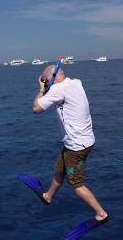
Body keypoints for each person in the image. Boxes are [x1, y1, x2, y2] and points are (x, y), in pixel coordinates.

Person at [32, 65, 108, 224]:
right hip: (81, 141)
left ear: (49, 80)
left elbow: (36, 108)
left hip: (77, 145)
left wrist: (41, 89)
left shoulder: (57, 90)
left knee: (76, 184)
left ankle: (101, 214)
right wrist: (49, 86)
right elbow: (58, 94)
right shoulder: (75, 83)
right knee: (60, 168)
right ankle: (48, 196)